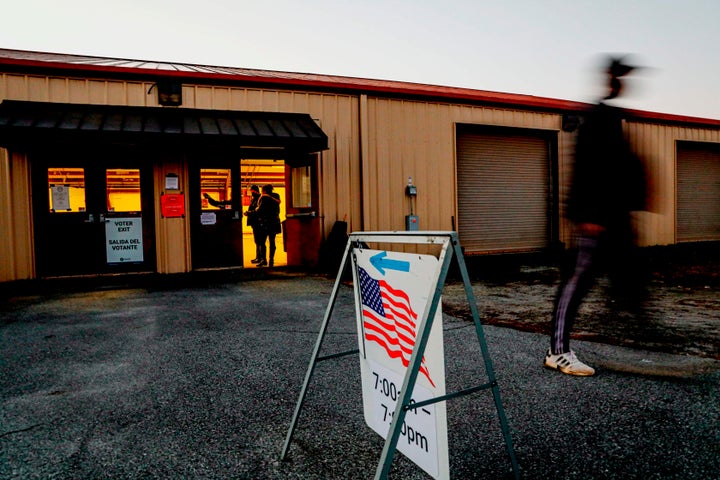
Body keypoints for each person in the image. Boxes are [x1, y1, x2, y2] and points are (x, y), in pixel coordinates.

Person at [545, 56, 648, 376]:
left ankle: (637, 329)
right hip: (594, 218)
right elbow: (585, 166)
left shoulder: (614, 117)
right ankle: (557, 352)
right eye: (620, 77)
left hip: (613, 218)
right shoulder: (598, 118)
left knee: (626, 275)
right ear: (609, 79)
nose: (624, 83)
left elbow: (620, 169)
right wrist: (586, 214)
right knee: (577, 282)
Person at [253, 184, 282, 267]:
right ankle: (271, 260)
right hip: (275, 221)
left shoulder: (264, 197)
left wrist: (250, 213)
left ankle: (264, 260)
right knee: (272, 241)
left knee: (262, 242)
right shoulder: (276, 195)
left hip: (266, 222)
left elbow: (260, 209)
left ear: (264, 190)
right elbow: (278, 203)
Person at [243, 185, 263, 264]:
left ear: (255, 190)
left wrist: (249, 213)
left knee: (259, 241)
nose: (251, 193)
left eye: (252, 191)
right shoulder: (254, 199)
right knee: (257, 241)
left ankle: (260, 257)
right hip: (254, 223)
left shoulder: (259, 199)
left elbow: (257, 211)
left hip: (257, 222)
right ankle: (258, 257)